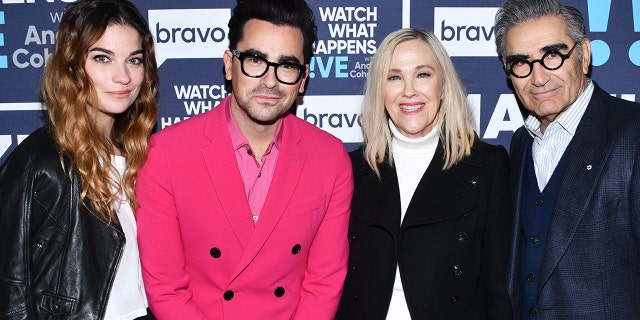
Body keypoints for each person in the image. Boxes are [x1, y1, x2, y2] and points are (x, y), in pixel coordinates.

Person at [134, 0, 353, 319]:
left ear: (303, 78)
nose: (270, 81)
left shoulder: (330, 159)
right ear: (229, 64)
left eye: (287, 65)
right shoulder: (164, 155)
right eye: (255, 60)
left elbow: (323, 285)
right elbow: (167, 290)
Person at [335, 28, 513, 320]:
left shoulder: (487, 166)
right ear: (380, 91)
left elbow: (498, 288)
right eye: (394, 77)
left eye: (423, 74)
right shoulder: (351, 169)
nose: (409, 90)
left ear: (443, 85)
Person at [0, 0, 158, 319]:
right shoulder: (39, 164)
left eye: (134, 60)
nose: (123, 77)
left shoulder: (142, 156)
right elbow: (11, 293)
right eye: (103, 58)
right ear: (71, 65)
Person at [494, 0, 640, 318]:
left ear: (584, 55)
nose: (538, 77)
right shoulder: (519, 145)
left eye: (552, 56)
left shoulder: (633, 133)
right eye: (521, 62)